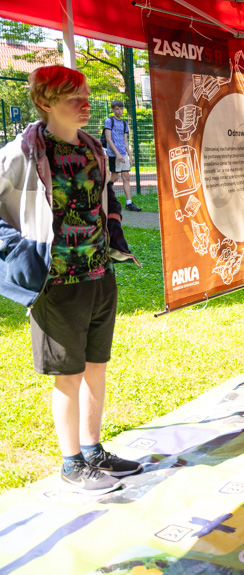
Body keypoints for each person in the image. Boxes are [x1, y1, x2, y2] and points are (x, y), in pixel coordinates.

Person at [0, 66, 142, 495]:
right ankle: (71, 463)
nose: (85, 104)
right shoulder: (17, 155)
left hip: (99, 275)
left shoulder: (93, 147)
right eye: (72, 98)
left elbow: (106, 197)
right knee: (69, 373)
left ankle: (93, 450)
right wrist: (21, 255)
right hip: (54, 283)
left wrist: (113, 228)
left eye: (85, 94)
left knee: (96, 366)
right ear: (45, 102)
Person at [102, 100, 140, 212]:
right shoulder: (109, 121)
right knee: (114, 177)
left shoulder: (124, 123)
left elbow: (125, 140)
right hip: (114, 154)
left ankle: (129, 203)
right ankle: (103, 195)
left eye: (121, 108)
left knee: (126, 177)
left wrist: (129, 155)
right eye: (117, 109)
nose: (120, 111)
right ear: (113, 110)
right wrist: (117, 154)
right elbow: (108, 138)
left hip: (123, 154)